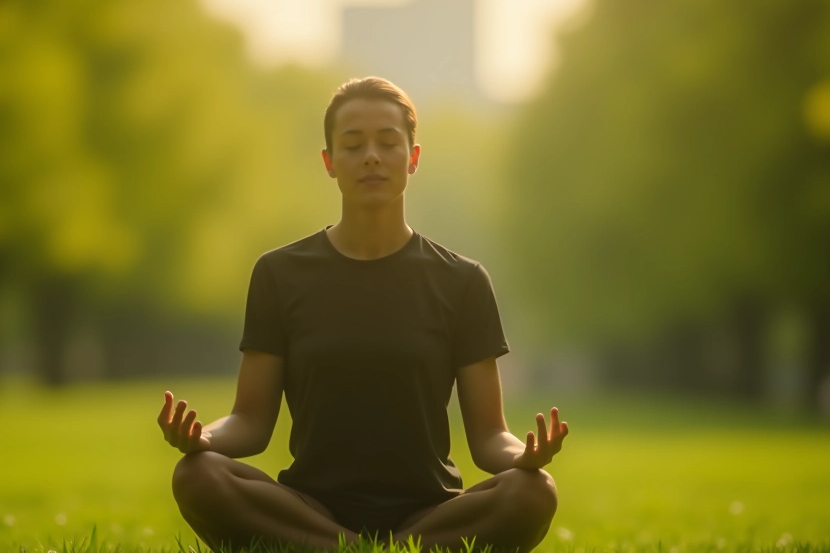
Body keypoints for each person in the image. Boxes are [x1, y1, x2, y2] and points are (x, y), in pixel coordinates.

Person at [157, 77, 569, 552]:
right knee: (197, 475)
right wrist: (202, 439)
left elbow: (490, 436)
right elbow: (249, 422)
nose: (371, 155)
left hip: (429, 511)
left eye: (388, 142)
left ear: (413, 158)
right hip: (310, 509)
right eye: (352, 145)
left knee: (533, 491)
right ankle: (353, 548)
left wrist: (526, 455)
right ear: (330, 163)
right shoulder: (279, 274)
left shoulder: (462, 281)